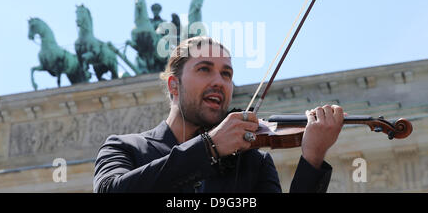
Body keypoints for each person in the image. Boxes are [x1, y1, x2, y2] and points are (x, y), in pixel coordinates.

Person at [93, 36, 344, 192]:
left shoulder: (254, 163)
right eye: (204, 69)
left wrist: (312, 160)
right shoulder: (125, 148)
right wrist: (209, 147)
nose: (219, 81)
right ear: (173, 85)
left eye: (226, 74)